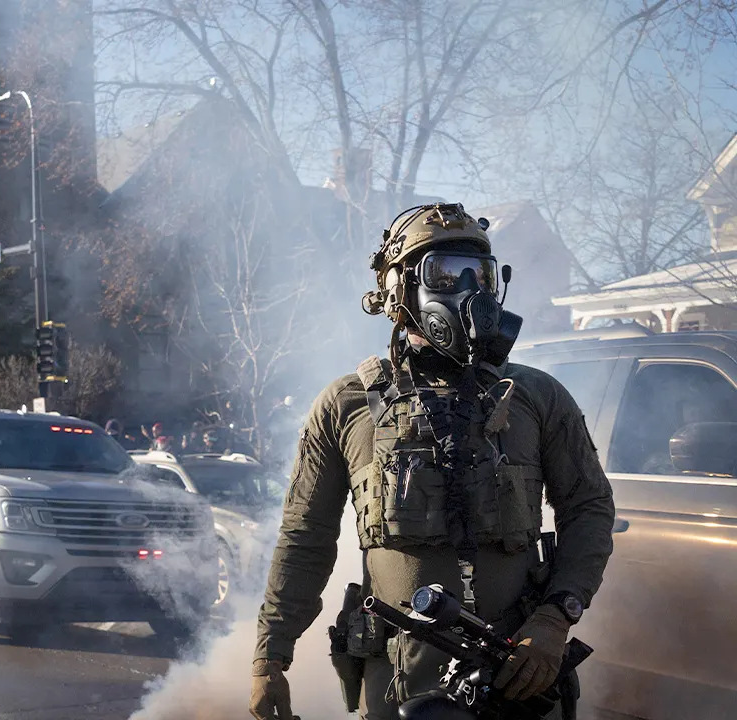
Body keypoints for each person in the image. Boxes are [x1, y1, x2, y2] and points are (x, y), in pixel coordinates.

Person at [249, 203, 616, 720]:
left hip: (520, 674)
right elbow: (305, 536)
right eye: (444, 274)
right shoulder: (345, 405)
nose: (468, 291)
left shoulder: (537, 396)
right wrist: (270, 657)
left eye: (480, 275)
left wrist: (555, 619)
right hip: (398, 681)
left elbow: (589, 508)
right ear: (398, 290)